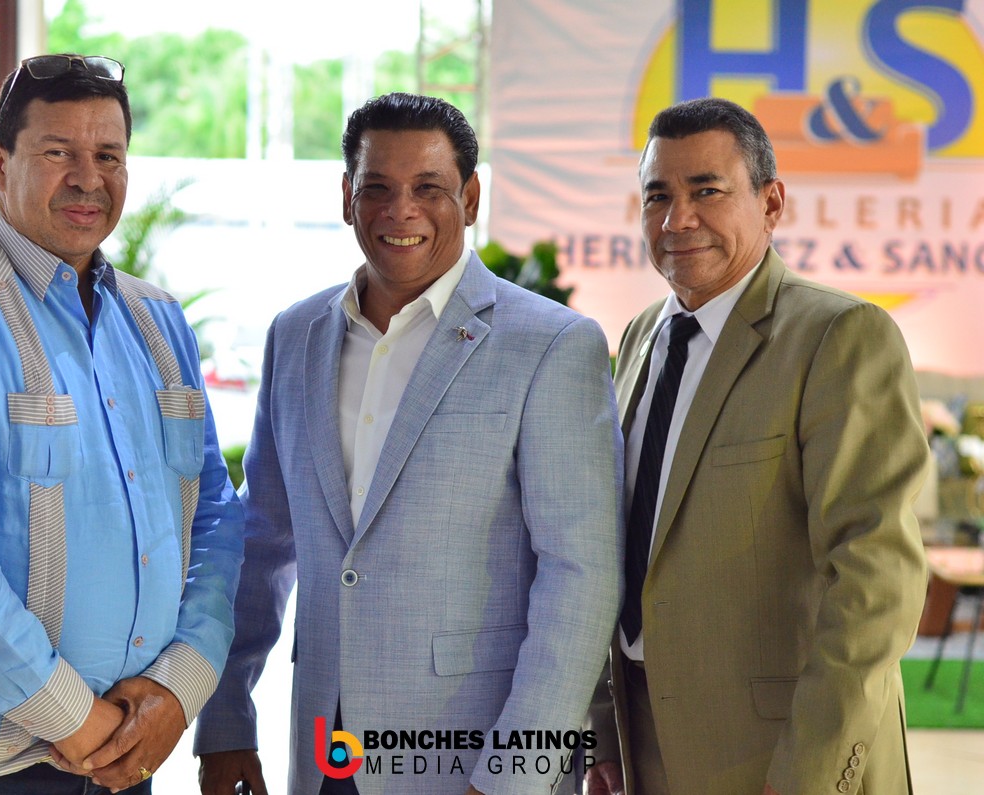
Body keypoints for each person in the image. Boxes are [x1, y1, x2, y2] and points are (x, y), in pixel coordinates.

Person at [192, 92, 623, 795]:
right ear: (346, 197)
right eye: (377, 188)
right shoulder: (295, 334)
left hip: (475, 759)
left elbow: (581, 576)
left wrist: (515, 773)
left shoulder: (551, 344)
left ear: (470, 197)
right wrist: (227, 718)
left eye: (428, 188)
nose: (401, 211)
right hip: (326, 754)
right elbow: (263, 541)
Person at [0, 54, 244, 794]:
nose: (88, 178)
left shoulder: (158, 321)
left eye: (108, 156)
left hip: (125, 749)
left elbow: (213, 514)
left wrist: (178, 687)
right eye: (59, 153)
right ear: (0, 164)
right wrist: (75, 719)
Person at [585, 97, 928, 795]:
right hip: (644, 740)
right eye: (657, 195)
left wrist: (808, 771)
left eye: (706, 191)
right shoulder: (642, 335)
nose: (677, 219)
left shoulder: (839, 336)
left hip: (780, 751)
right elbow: (614, 547)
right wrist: (604, 733)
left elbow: (876, 579)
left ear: (771, 203)